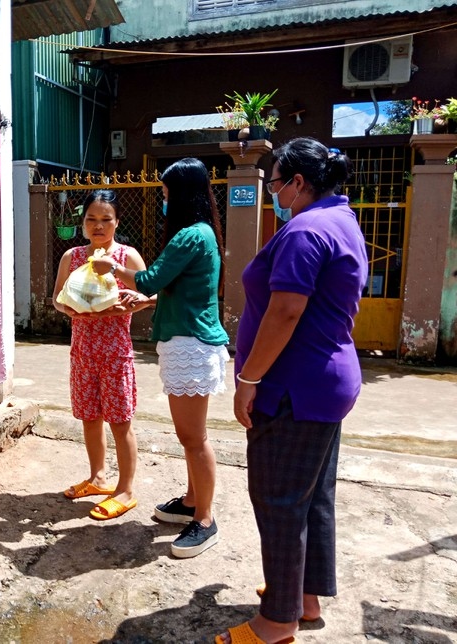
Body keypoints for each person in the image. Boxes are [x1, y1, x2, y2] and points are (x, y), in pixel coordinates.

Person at [216, 138, 368, 644]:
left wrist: (248, 379)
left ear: (299, 183)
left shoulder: (306, 230)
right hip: (325, 381)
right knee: (311, 494)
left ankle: (277, 622)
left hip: (294, 388)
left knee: (278, 498)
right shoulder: (342, 220)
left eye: (277, 182)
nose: (274, 192)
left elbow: (285, 311)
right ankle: (303, 597)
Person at [92, 157, 229, 558]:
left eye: (167, 193)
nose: (164, 199)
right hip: (186, 341)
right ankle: (191, 501)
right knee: (189, 437)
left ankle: (204, 519)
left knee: (194, 438)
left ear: (182, 194)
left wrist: (111, 267)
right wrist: (148, 299)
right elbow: (179, 290)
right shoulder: (202, 234)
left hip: (191, 344)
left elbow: (152, 276)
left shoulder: (189, 236)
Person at [53, 189, 150, 521]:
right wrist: (71, 309)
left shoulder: (127, 257)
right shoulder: (73, 257)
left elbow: (150, 294)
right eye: (91, 219)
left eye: (106, 219)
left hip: (115, 353)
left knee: (120, 422)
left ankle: (125, 490)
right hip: (82, 351)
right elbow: (57, 299)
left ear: (117, 222)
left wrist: (128, 302)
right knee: (89, 418)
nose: (98, 226)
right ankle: (97, 478)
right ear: (83, 223)